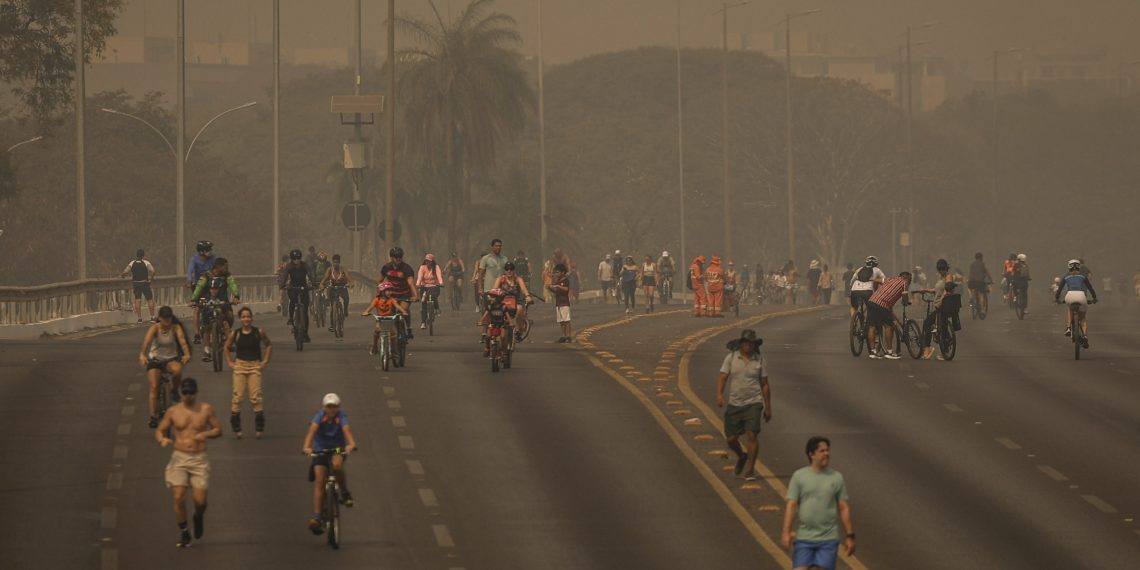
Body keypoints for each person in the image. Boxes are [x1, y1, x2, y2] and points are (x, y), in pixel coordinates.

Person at [155, 378, 222, 548]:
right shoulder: (173, 411)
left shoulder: (205, 409)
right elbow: (160, 429)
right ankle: (184, 532)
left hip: (199, 458)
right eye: (185, 393)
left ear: (196, 393)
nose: (188, 396)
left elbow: (218, 429)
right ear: (181, 393)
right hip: (179, 457)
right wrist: (162, 439)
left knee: (200, 501)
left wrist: (205, 434)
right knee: (178, 496)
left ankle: (198, 516)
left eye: (191, 393)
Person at [781, 436, 856, 570]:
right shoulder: (799, 476)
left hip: (828, 539)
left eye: (827, 450)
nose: (826, 454)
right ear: (811, 454)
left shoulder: (836, 477)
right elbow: (791, 505)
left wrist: (850, 536)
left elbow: (843, 507)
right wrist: (786, 532)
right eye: (822, 451)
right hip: (804, 538)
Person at [715, 329, 770, 482]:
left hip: (754, 403)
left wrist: (768, 407)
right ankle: (741, 455)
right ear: (741, 344)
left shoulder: (759, 360)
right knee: (731, 438)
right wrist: (719, 395)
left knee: (752, 434)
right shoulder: (731, 357)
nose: (748, 346)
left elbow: (764, 384)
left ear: (754, 345)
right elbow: (723, 376)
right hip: (735, 403)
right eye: (746, 342)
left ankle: (750, 468)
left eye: (751, 343)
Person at [302, 393, 358, 533]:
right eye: (329, 406)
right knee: (320, 481)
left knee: (337, 466)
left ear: (338, 407)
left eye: (334, 407)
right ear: (324, 407)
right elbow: (312, 431)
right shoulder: (319, 416)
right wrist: (307, 447)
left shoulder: (341, 417)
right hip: (320, 449)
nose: (331, 410)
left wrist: (351, 444)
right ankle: (318, 517)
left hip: (337, 448)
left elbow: (347, 430)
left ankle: (344, 492)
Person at [139, 306, 193, 428]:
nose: (167, 322)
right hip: (155, 360)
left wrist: (186, 354)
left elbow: (183, 342)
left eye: (168, 318)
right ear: (160, 318)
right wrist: (142, 355)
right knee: (154, 386)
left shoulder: (175, 328)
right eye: (164, 319)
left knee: (178, 371)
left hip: (170, 359)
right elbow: (146, 343)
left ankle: (174, 391)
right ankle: (153, 416)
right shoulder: (154, 328)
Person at [224, 307, 272, 439]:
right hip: (240, 365)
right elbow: (226, 347)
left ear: (251, 318)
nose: (246, 319)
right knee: (237, 396)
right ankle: (236, 424)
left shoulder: (259, 332)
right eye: (244, 317)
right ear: (240, 319)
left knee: (255, 396)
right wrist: (229, 362)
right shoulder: (235, 333)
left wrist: (265, 360)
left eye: (248, 317)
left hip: (255, 365)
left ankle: (259, 425)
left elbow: (268, 345)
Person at [918, 259, 962, 359]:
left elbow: (948, 290)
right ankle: (930, 348)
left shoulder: (948, 277)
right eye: (939, 269)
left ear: (946, 268)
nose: (941, 270)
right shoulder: (940, 278)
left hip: (943, 305)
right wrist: (925, 290)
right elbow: (936, 290)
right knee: (934, 324)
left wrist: (942, 300)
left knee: (933, 324)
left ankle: (939, 350)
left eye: (943, 268)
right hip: (938, 305)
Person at [865, 271, 912, 360]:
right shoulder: (904, 283)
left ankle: (873, 352)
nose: (910, 282)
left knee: (872, 326)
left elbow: (875, 280)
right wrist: (906, 302)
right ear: (907, 278)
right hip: (882, 304)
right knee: (889, 326)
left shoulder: (890, 279)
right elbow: (905, 298)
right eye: (910, 280)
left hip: (872, 301)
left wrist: (876, 292)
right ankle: (889, 352)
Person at [1055, 259, 1098, 346]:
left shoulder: (1066, 276)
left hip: (1070, 295)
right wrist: (1094, 298)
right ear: (1079, 267)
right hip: (1081, 296)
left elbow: (1059, 289)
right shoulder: (1082, 276)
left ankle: (1068, 328)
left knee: (1070, 308)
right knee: (1082, 318)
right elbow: (1090, 288)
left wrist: (1057, 299)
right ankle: (1085, 336)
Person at [379, 247, 418, 339]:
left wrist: (415, 295)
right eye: (396, 256)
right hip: (392, 294)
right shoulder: (386, 267)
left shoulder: (406, 268)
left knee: (404, 309)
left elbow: (411, 283)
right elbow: (380, 281)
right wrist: (382, 292)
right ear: (391, 257)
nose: (398, 259)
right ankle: (399, 332)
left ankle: (408, 328)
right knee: (391, 314)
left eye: (400, 256)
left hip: (405, 293)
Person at [362, 282, 408, 355]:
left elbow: (397, 306)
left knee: (393, 333)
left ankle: (394, 349)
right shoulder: (376, 299)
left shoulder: (392, 299)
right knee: (377, 331)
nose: (390, 292)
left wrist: (403, 311)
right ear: (382, 292)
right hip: (380, 319)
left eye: (390, 290)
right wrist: (366, 312)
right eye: (387, 290)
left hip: (390, 318)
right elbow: (371, 307)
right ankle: (375, 346)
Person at [493, 261, 534, 339]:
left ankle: (518, 330)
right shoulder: (500, 279)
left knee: (520, 309)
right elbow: (494, 290)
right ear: (504, 271)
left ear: (514, 270)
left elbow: (524, 289)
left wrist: (528, 296)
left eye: (511, 269)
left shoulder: (518, 279)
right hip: (503, 302)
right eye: (507, 269)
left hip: (515, 302)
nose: (509, 271)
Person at [186, 241, 216, 344]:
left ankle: (214, 330)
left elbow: (218, 268)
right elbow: (190, 271)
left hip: (210, 285)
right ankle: (197, 333)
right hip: (198, 286)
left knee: (213, 306)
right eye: (208, 250)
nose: (210, 252)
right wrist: (189, 281)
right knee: (197, 308)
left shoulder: (213, 259)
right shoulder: (194, 259)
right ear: (202, 251)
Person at [282, 249, 314, 342]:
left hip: (303, 288)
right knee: (292, 301)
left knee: (305, 312)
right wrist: (282, 285)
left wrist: (313, 283)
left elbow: (310, 274)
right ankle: (291, 318)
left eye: (298, 258)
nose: (297, 260)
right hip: (293, 288)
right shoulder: (289, 266)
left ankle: (305, 333)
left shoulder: (305, 265)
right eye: (294, 258)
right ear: (292, 259)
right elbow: (284, 276)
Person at [122, 249, 157, 323]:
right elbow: (153, 271)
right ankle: (152, 317)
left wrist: (123, 276)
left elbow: (125, 271)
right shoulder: (146, 262)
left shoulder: (132, 263)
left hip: (136, 284)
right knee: (149, 299)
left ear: (136, 255)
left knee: (138, 300)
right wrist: (151, 278)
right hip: (145, 283)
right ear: (143, 255)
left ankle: (139, 318)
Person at [319, 254, 351, 331]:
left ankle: (345, 310)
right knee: (333, 307)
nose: (335, 264)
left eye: (337, 262)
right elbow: (325, 278)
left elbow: (348, 277)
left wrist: (351, 283)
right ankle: (332, 325)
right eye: (334, 262)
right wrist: (321, 284)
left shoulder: (343, 269)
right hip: (332, 287)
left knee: (346, 298)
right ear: (332, 262)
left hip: (342, 286)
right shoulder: (330, 269)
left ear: (339, 262)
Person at [416, 253, 443, 329]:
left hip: (434, 286)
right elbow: (420, 277)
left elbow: (439, 276)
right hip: (424, 286)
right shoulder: (422, 267)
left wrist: (441, 283)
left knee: (434, 296)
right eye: (426, 261)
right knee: (423, 302)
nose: (428, 263)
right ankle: (423, 322)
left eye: (429, 261)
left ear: (432, 261)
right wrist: (418, 284)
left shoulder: (436, 267)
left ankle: (436, 308)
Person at [548, 263, 573, 342]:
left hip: (564, 303)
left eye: (557, 272)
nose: (556, 274)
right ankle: (563, 335)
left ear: (563, 272)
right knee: (561, 321)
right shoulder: (557, 281)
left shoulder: (565, 280)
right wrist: (550, 288)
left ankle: (568, 336)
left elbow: (566, 290)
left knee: (566, 321)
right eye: (555, 272)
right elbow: (555, 291)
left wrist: (558, 286)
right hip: (558, 303)